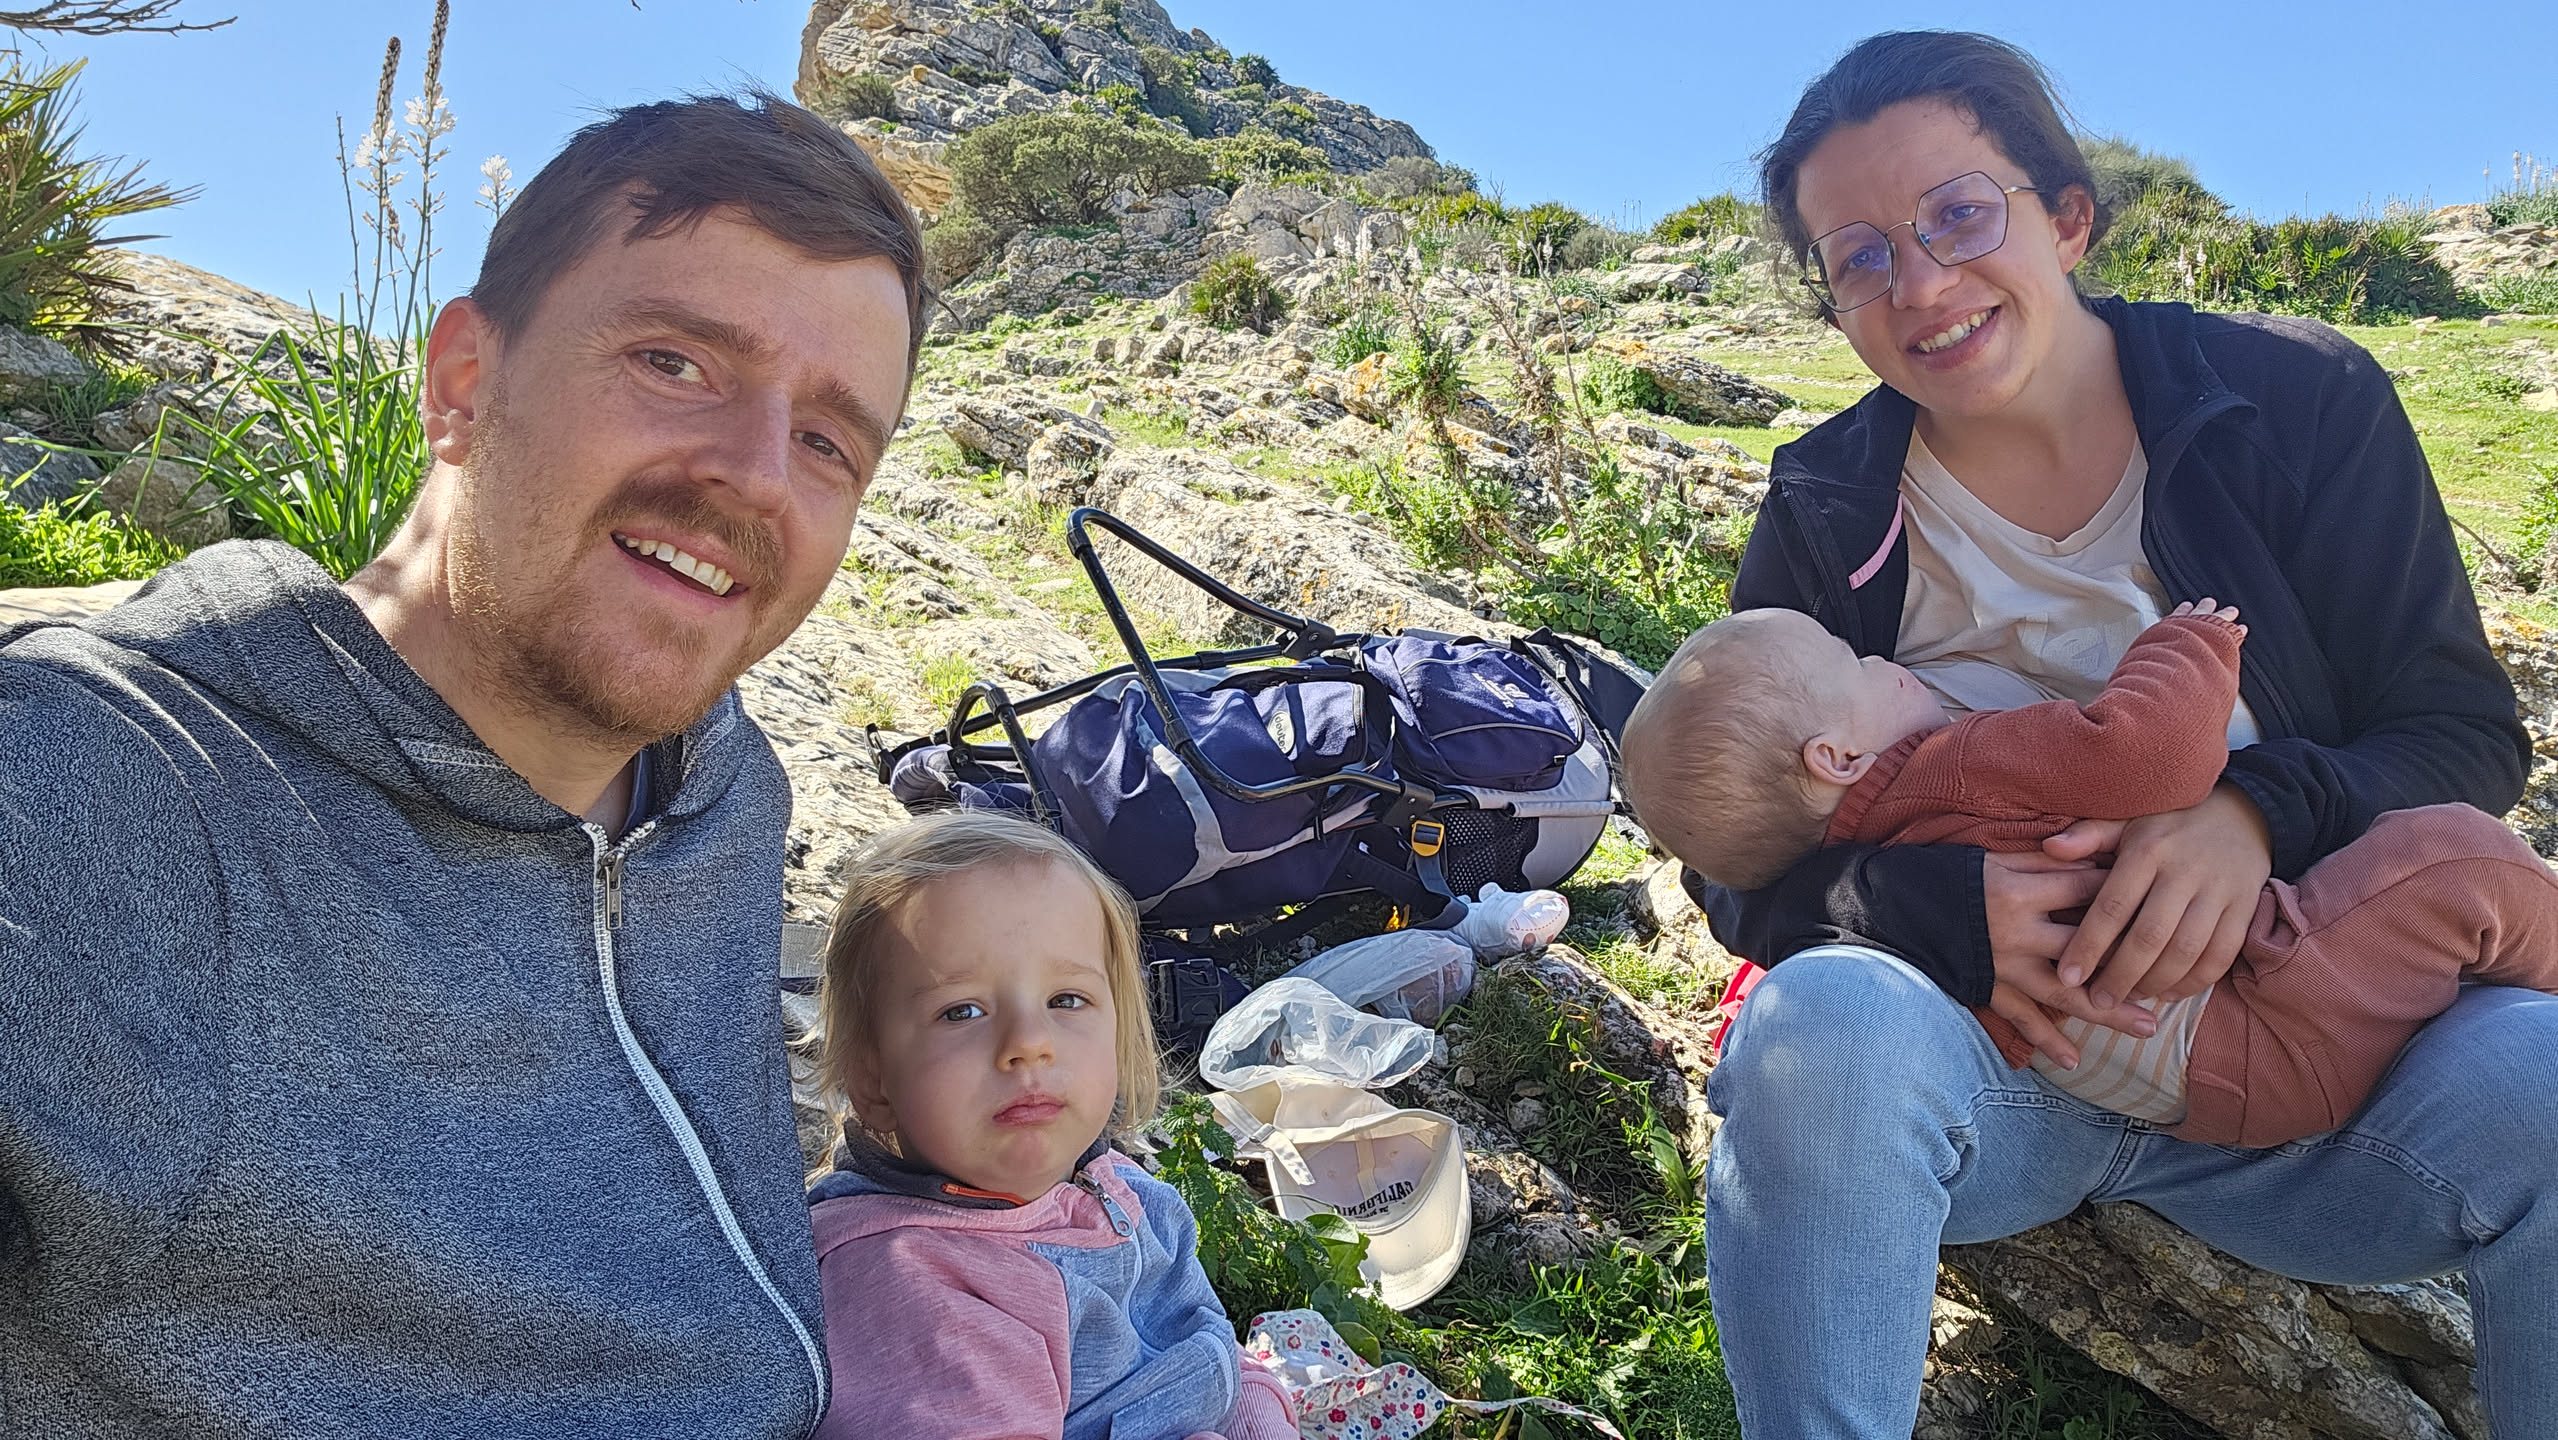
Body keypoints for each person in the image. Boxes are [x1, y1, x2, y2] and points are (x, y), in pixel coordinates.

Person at [0, 94, 928, 1436]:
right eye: (674, 362)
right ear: (461, 385)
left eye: (829, 441)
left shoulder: (724, 795)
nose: (756, 475)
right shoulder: (98, 788)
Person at [1694, 30, 2557, 1438]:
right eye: (1857, 256)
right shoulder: (1825, 501)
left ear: (2066, 215)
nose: (1919, 283)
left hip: (2318, 1060)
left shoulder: (2299, 400)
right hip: (1998, 1081)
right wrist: (1932, 910)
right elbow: (1732, 853)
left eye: (1957, 214)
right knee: (1818, 1026)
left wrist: (2254, 811)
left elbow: (2457, 731)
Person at [1623, 600, 2558, 1146]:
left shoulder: (1862, 846)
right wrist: (2189, 643)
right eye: (1853, 660)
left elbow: (1732, 867)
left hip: (2189, 1091)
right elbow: (2149, 754)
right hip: (2268, 1015)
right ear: (1836, 757)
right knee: (2457, 853)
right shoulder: (1955, 763)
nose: (1877, 655)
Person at [804, 811, 1296, 1440]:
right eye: (962, 1011)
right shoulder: (914, 1290)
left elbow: (1203, 1341)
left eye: (1066, 1000)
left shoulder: (1115, 1185)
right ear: (873, 1079)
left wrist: (1259, 1410)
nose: (1029, 1043)